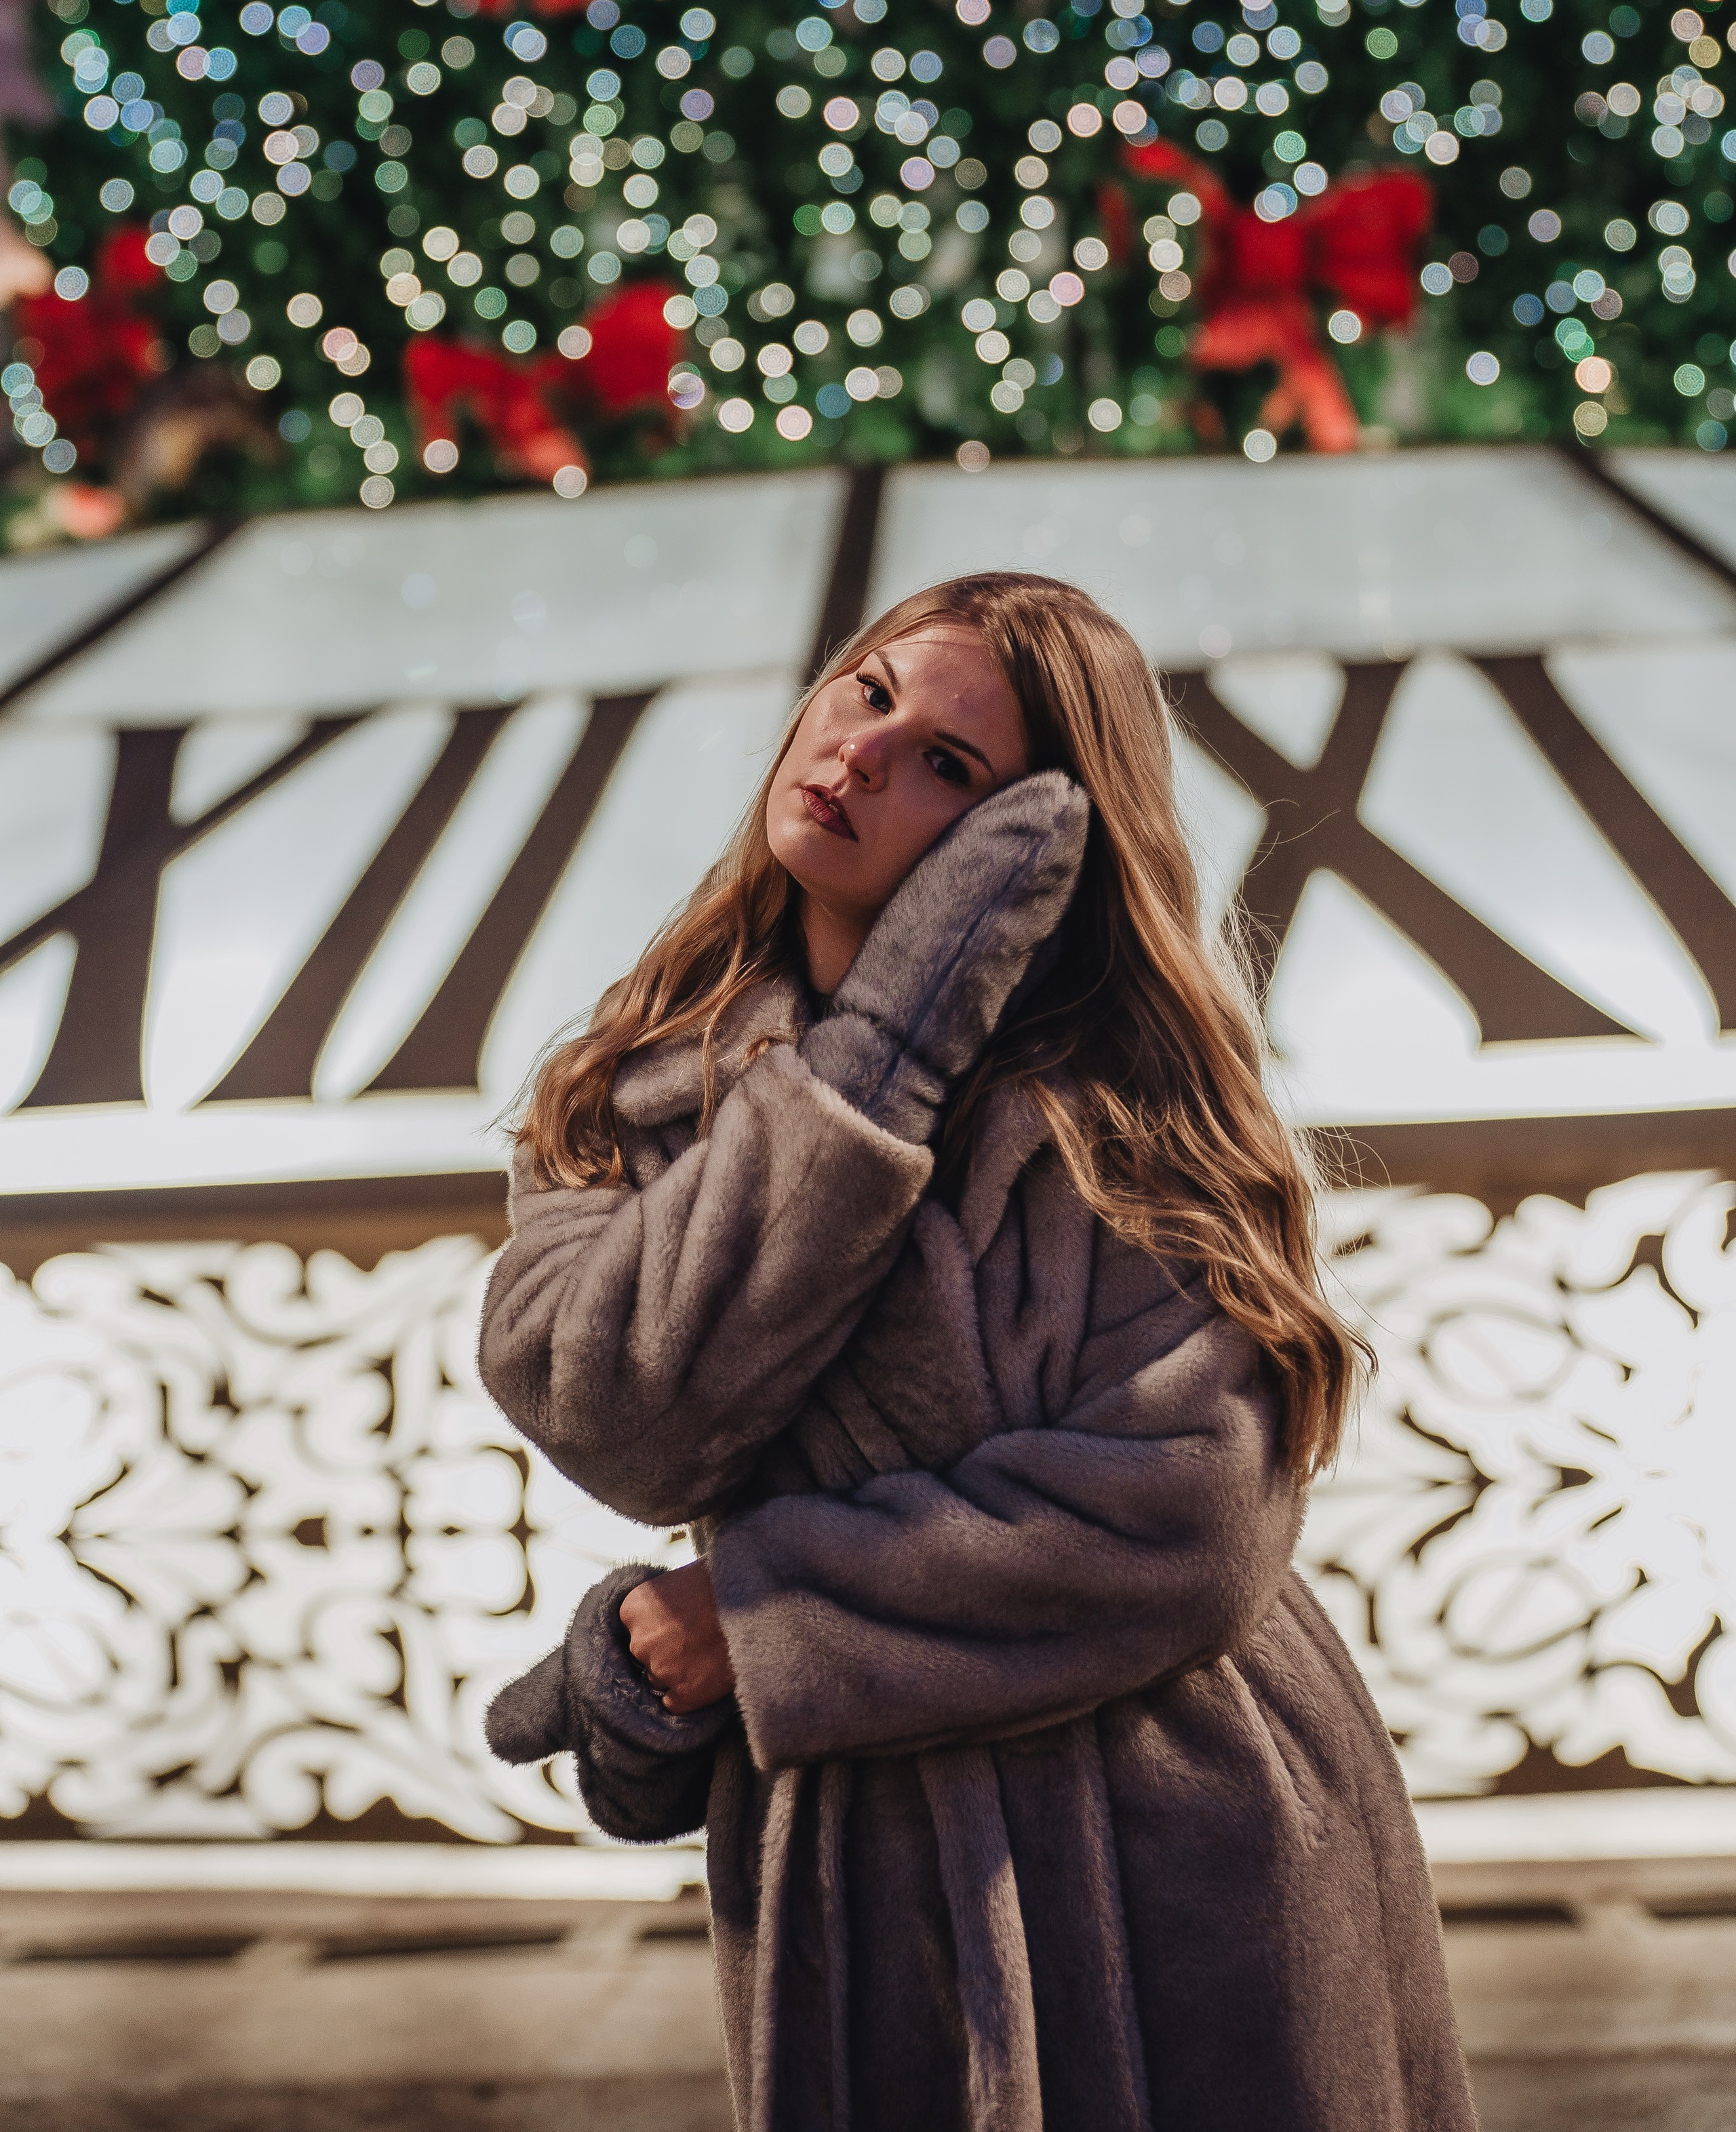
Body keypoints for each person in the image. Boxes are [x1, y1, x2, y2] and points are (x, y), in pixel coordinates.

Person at [480, 570, 1476, 2132]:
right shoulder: (624, 1096)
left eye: (951, 763)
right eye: (869, 695)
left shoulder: (1128, 1112)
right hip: (853, 1887)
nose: (865, 756)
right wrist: (877, 1053)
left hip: (1183, 1850)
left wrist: (757, 1621)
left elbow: (1187, 1522)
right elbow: (625, 1423)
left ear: (1037, 844)